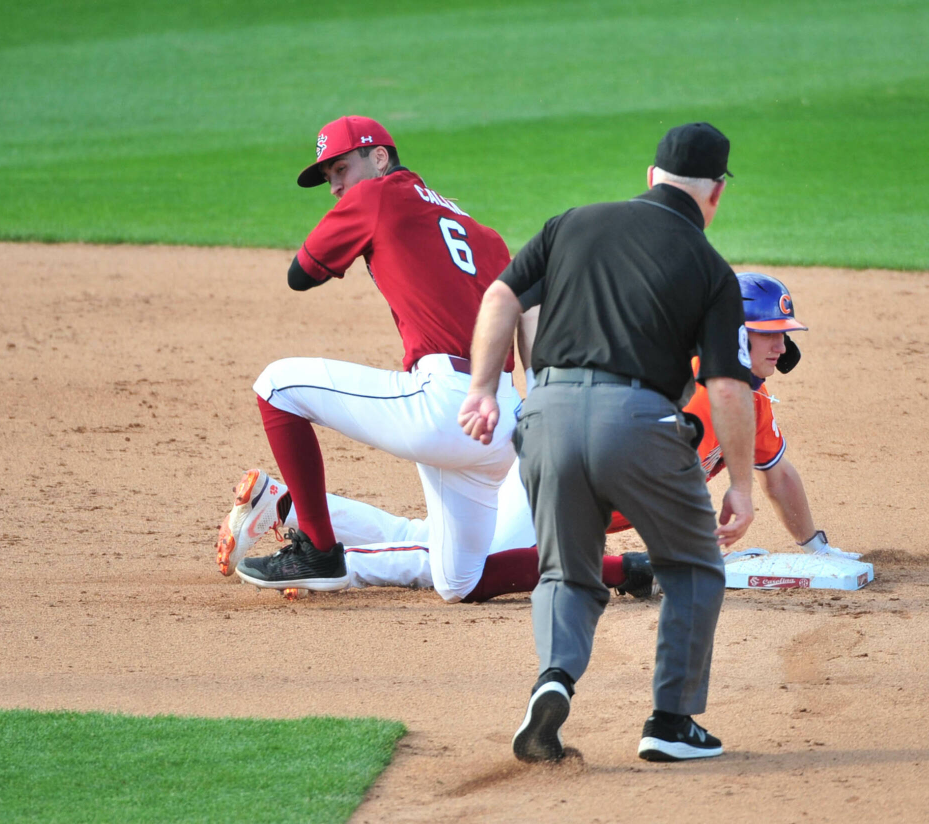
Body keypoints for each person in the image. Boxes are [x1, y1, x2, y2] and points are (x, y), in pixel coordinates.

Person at [215, 273, 857, 599]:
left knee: (433, 538)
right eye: (773, 333)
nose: (782, 345)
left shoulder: (749, 404)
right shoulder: (682, 387)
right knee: (453, 571)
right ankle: (327, 565)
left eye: (784, 335)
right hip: (555, 482)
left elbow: (778, 474)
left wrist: (817, 547)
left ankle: (287, 505)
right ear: (738, 333)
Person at [460, 122, 758, 763]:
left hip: (545, 416)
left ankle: (554, 680)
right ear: (716, 194)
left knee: (567, 570)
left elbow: (501, 295)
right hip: (638, 423)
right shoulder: (710, 268)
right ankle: (670, 724)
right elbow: (729, 389)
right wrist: (740, 483)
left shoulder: (571, 222)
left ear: (651, 178)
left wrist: (484, 389)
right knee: (693, 567)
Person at [220, 114, 521, 604]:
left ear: (379, 157)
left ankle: (318, 551)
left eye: (340, 169)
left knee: (276, 386)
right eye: (327, 178)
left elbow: (302, 274)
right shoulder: (483, 233)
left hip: (442, 407)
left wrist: (366, 235)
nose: (336, 186)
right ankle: (622, 569)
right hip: (501, 420)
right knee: (457, 581)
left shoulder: (377, 195)